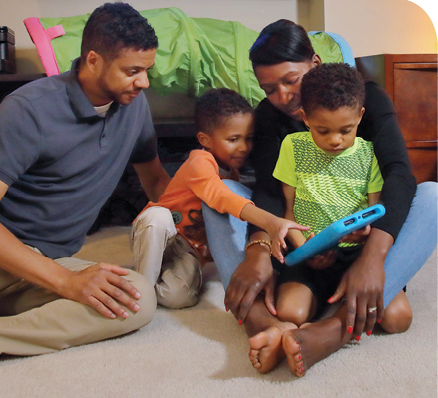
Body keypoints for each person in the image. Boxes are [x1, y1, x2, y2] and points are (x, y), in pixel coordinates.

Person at [202, 19, 437, 377]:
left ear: (313, 64)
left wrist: (373, 255)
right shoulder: (269, 117)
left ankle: (335, 330)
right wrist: (259, 247)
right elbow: (268, 190)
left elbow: (399, 176)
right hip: (298, 238)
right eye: (269, 88)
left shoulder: (367, 98)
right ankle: (260, 318)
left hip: (363, 239)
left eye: (290, 81)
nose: (282, 97)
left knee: (432, 196)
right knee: (221, 194)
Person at [0, 2, 172, 368]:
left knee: (136, 298)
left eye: (147, 70)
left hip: (52, 262)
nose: (143, 82)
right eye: (132, 71)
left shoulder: (134, 106)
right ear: (93, 60)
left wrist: (198, 228)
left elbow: (156, 179)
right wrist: (65, 283)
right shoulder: (29, 109)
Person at [131, 88, 308, 309]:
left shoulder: (232, 174)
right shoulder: (200, 161)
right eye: (233, 139)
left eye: (249, 139)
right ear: (205, 139)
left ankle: (143, 279)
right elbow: (220, 196)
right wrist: (269, 221)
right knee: (157, 216)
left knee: (178, 298)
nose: (243, 148)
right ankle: (141, 288)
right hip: (162, 234)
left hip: (188, 250)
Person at [272, 62, 411, 343]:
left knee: (398, 319)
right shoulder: (292, 147)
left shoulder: (369, 154)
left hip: (357, 256)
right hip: (309, 254)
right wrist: (306, 250)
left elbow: (374, 214)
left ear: (360, 116)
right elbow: (288, 212)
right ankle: (328, 298)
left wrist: (363, 237)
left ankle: (336, 304)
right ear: (305, 117)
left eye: (346, 130)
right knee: (290, 313)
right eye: (323, 131)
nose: (335, 140)